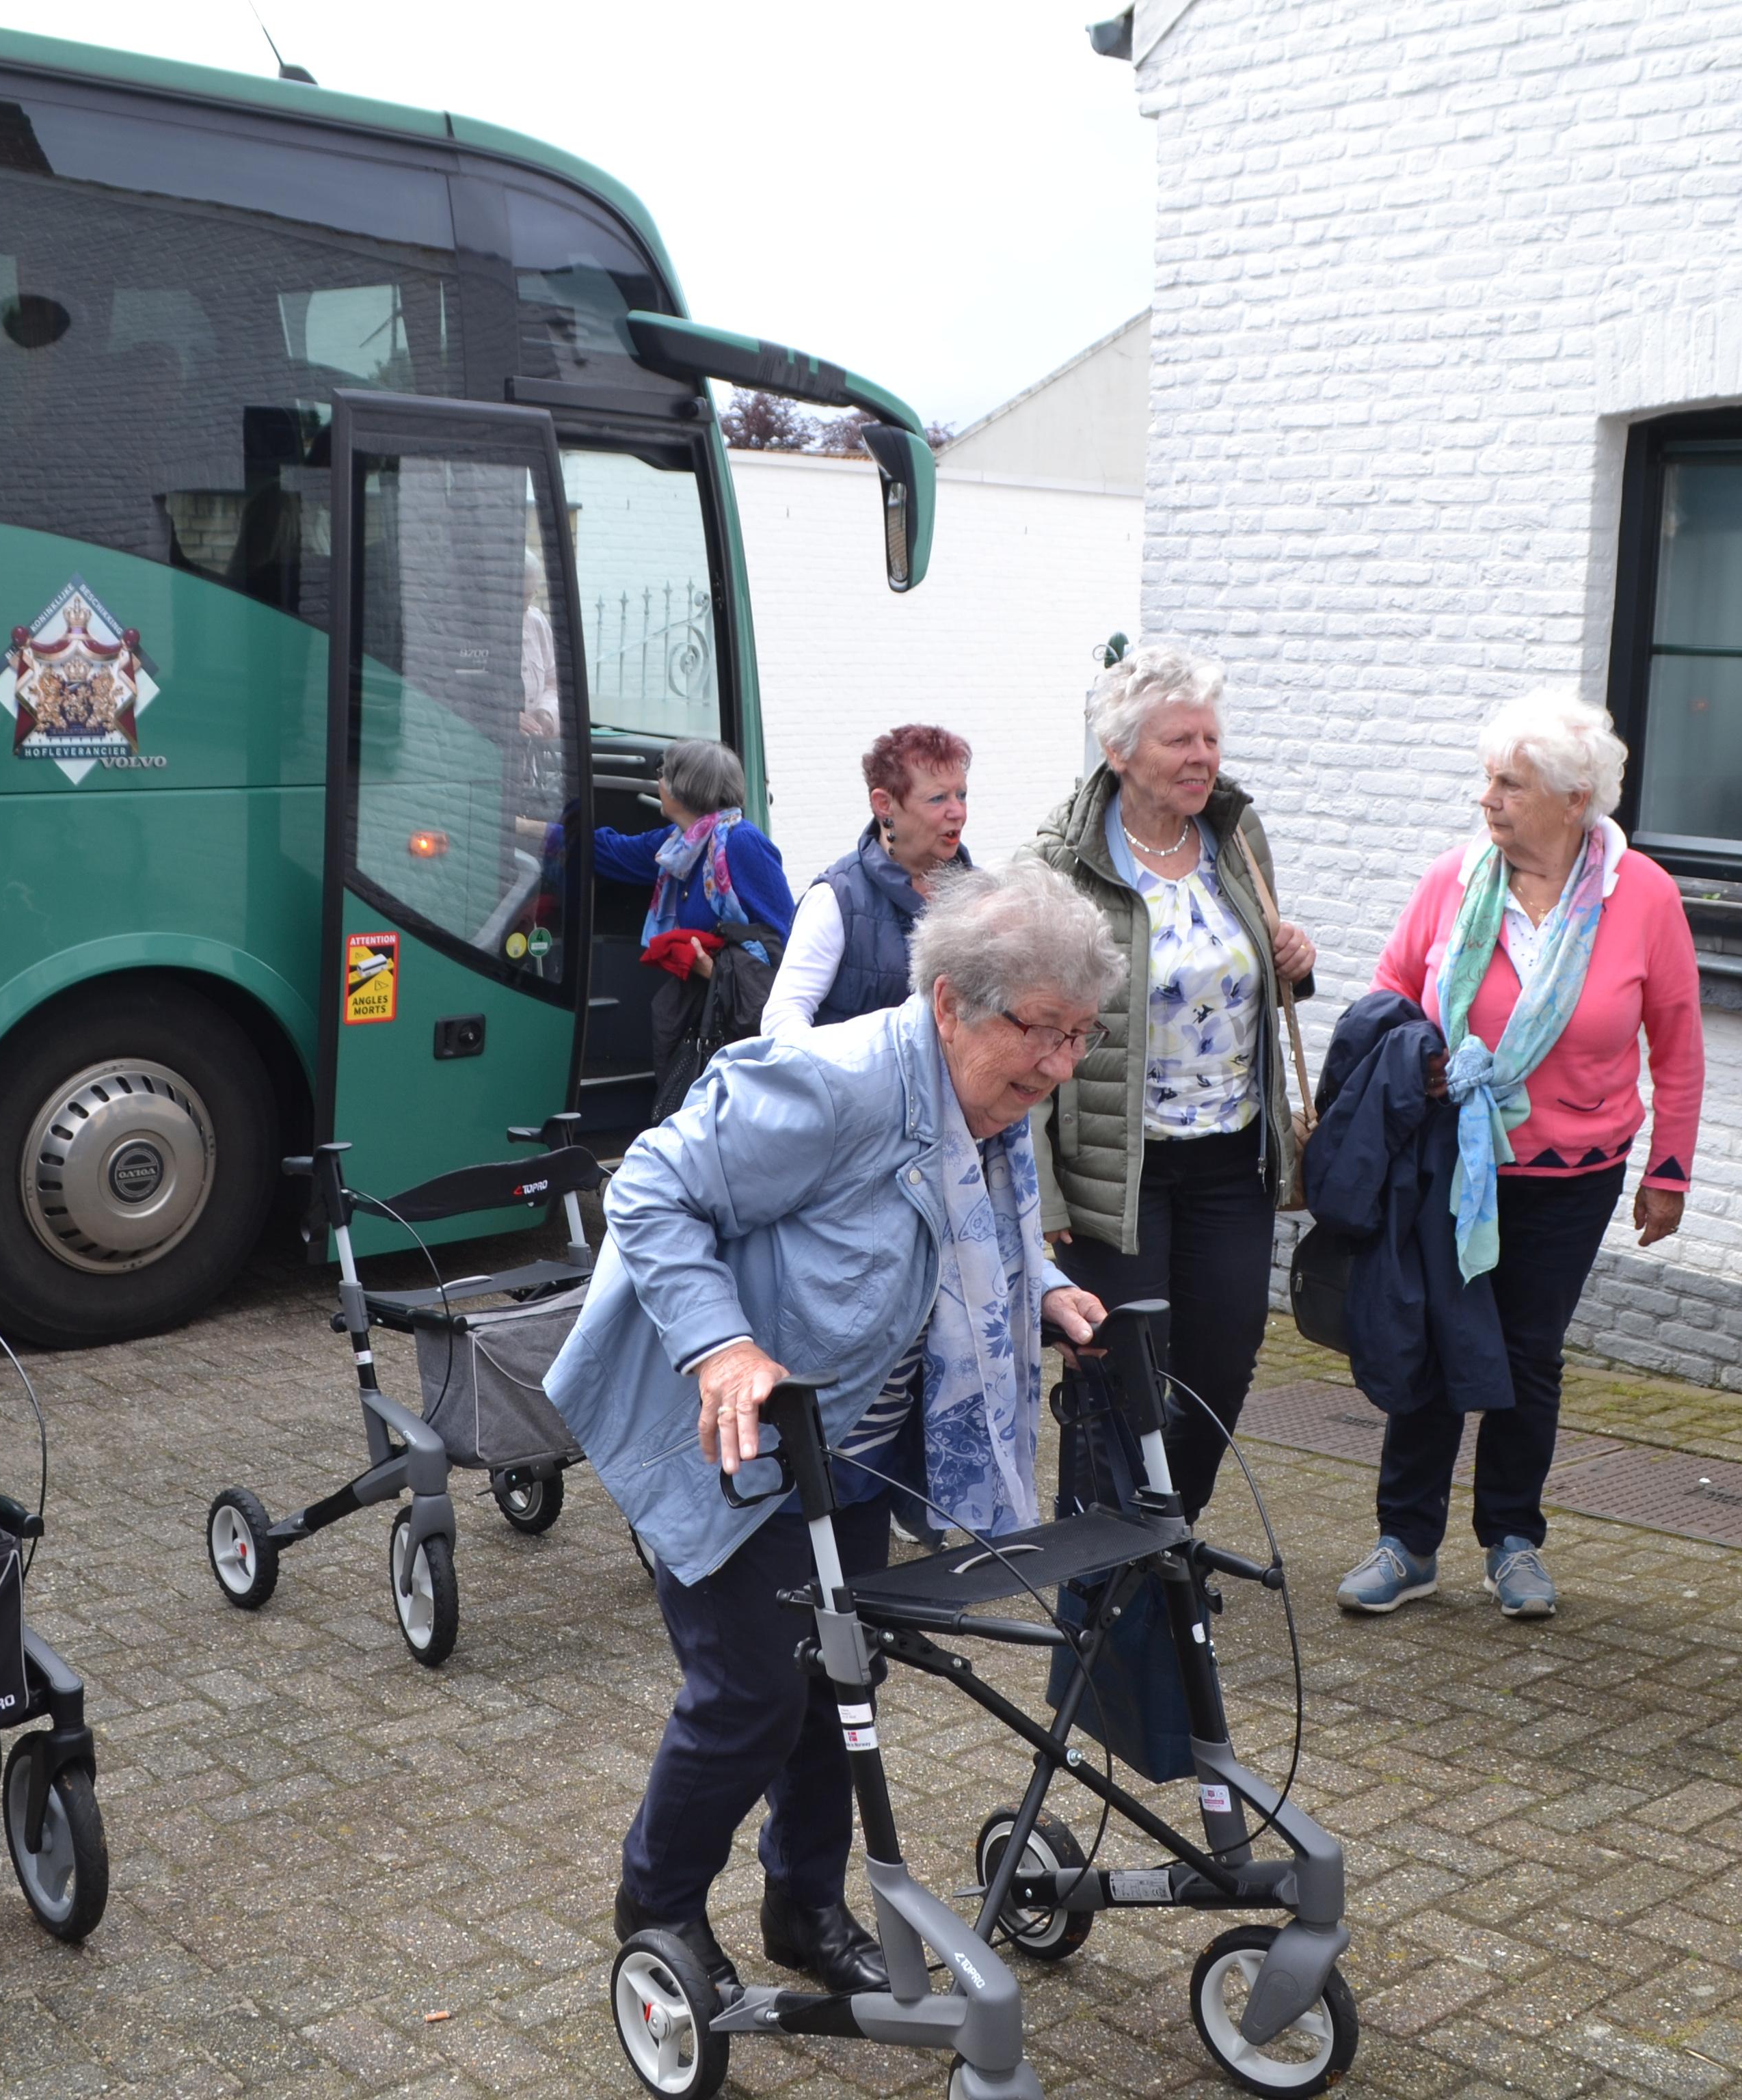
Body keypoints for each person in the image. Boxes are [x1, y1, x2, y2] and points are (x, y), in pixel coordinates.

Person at [548, 861, 1120, 1995]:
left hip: (849, 1449)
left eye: (1080, 1036)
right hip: (731, 1439)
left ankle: (803, 1906)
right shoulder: (836, 1082)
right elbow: (650, 1188)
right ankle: (656, 1908)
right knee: (750, 1692)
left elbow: (962, 1217)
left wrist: (1038, 1279)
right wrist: (720, 1343)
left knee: (837, 1685)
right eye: (1040, 1032)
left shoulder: (981, 1101)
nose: (1058, 1066)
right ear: (950, 1001)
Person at [1337, 690, 1705, 1619]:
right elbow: (1390, 987)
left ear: (1575, 798)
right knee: (1429, 1348)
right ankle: (1405, 1542)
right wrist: (1416, 1056)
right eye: (1486, 779)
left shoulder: (1644, 896)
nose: (1487, 800)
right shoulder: (1453, 882)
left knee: (1527, 1357)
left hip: (1573, 1175)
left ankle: (1512, 1540)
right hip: (1448, 1163)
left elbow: (1679, 1037)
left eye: (1509, 783)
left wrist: (1672, 1169)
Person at [1031, 644, 1315, 1517]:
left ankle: (1165, 1545)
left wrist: (1293, 963)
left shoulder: (1235, 835)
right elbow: (1026, 1042)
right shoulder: (1059, 866)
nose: (1203, 758)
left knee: (1221, 1371)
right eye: (1179, 742)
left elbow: (1252, 977)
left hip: (1232, 1161)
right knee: (1119, 1380)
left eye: (1210, 738)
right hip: (1118, 1173)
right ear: (1119, 752)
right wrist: (1043, 1205)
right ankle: (1098, 1586)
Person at [589, 739, 797, 1118]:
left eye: (664, 774)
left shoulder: (743, 843)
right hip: (702, 1007)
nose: (659, 782)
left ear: (685, 788)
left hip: (741, 1015)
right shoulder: (679, 846)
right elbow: (613, 852)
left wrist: (715, 971)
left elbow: (783, 940)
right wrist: (525, 827)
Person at [762, 723, 975, 1036]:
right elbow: (781, 1019)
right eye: (938, 798)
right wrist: (847, 1077)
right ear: (884, 805)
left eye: (962, 795)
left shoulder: (979, 897)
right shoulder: (837, 898)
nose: (957, 812)